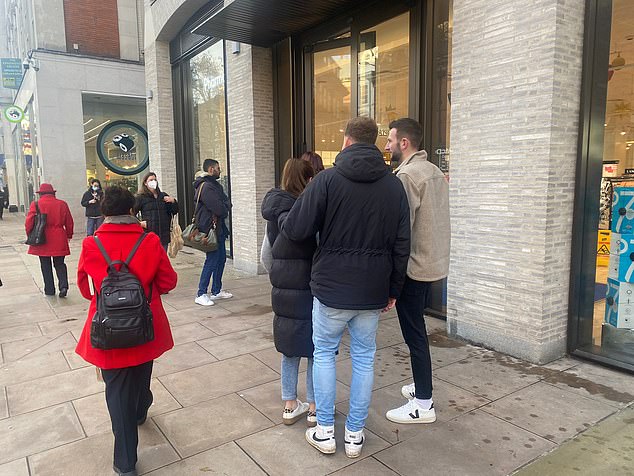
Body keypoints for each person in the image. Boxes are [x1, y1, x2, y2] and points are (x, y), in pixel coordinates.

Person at [281, 117, 410, 458]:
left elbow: (295, 229)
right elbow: (402, 243)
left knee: (323, 354)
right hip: (372, 291)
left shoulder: (327, 181)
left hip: (331, 289)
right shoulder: (394, 186)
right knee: (365, 359)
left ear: (348, 140)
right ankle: (354, 434)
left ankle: (324, 430)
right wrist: (394, 288)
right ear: (374, 142)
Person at [75, 186, 177, 476]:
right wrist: (144, 292)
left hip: (107, 330)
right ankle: (141, 407)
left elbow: (85, 289)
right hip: (145, 325)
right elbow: (169, 282)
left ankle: (125, 463)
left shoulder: (91, 244)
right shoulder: (149, 241)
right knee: (141, 372)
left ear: (104, 212)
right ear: (132, 210)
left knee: (116, 390)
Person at [383, 118, 450, 424]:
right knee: (417, 331)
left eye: (390, 140)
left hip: (414, 267)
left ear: (404, 143)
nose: (387, 146)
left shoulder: (407, 176)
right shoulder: (434, 172)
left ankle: (423, 403)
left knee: (415, 336)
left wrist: (392, 277)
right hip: (434, 264)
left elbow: (401, 229)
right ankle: (420, 386)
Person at [261, 158, 317, 427]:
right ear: (307, 180)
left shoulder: (273, 213)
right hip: (310, 288)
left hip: (282, 289)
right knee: (316, 350)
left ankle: (289, 405)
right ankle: (315, 408)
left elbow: (265, 257)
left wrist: (280, 275)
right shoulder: (310, 212)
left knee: (289, 349)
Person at [193, 159, 233, 306]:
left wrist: (225, 204)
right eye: (217, 168)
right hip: (211, 230)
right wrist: (225, 205)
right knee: (212, 260)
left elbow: (225, 203)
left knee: (221, 259)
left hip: (218, 229)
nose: (220, 170)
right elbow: (220, 208)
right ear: (211, 169)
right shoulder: (207, 187)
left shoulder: (213, 185)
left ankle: (216, 290)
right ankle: (201, 293)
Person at [25, 183, 74, 297]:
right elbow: (69, 222)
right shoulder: (62, 204)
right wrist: (69, 235)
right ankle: (63, 286)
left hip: (42, 237)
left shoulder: (36, 204)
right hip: (59, 236)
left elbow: (29, 223)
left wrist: (30, 234)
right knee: (60, 264)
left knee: (45, 265)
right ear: (53, 193)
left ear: (40, 194)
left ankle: (49, 289)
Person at [134, 172, 178, 251]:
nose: (153, 182)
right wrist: (140, 223)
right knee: (152, 260)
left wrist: (173, 201)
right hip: (150, 235)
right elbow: (131, 213)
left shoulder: (163, 196)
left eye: (155, 180)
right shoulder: (141, 198)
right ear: (145, 183)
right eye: (151, 180)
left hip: (164, 235)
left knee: (163, 259)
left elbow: (174, 211)